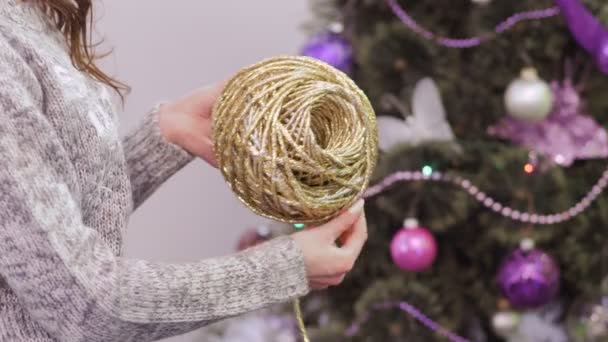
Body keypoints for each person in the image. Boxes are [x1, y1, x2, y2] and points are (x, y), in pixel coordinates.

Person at [0, 1, 368, 341]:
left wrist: (161, 138)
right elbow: (81, 303)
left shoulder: (31, 17)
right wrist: (282, 269)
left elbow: (38, 222)